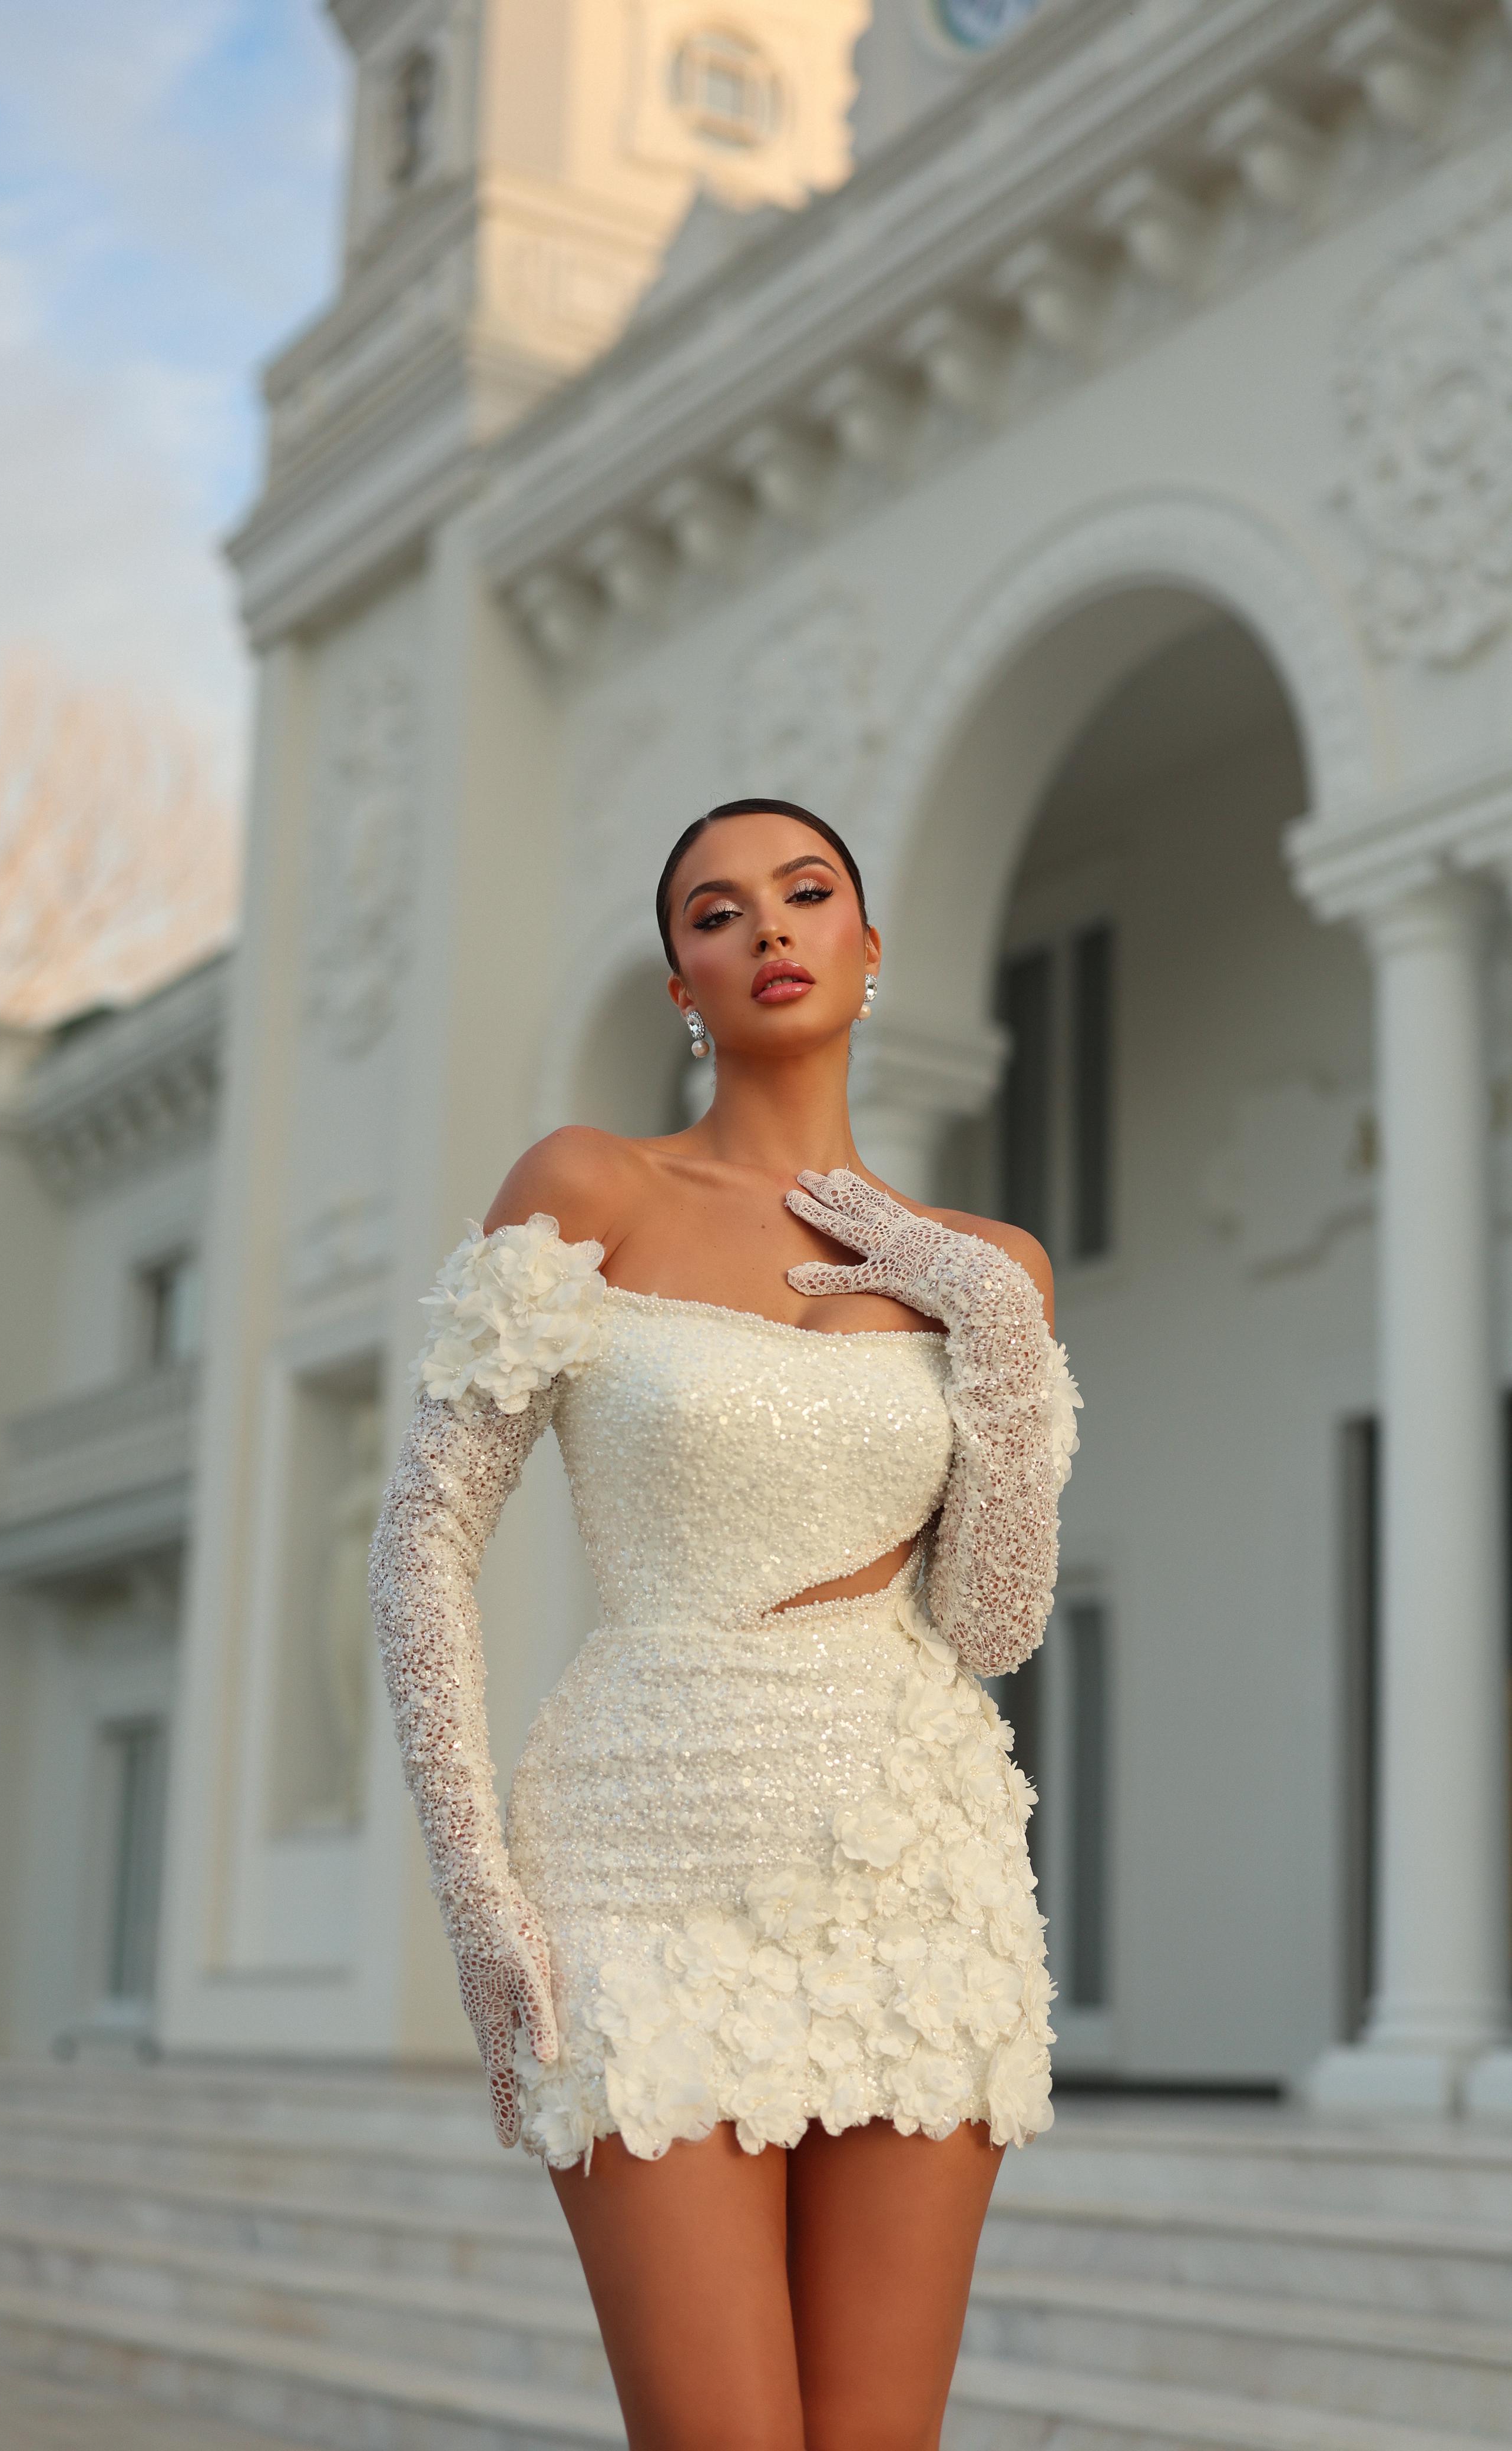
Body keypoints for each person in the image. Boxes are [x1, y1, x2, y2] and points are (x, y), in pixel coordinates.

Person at [369, 798, 1080, 2451]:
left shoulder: (987, 1266)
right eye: (715, 911)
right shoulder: (586, 1185)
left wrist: (985, 1317)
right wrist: (478, 1895)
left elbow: (988, 1619)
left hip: (917, 1878)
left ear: (867, 947)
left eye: (805, 894)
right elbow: (424, 1543)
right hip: (641, 1869)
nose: (766, 929)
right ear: (681, 979)